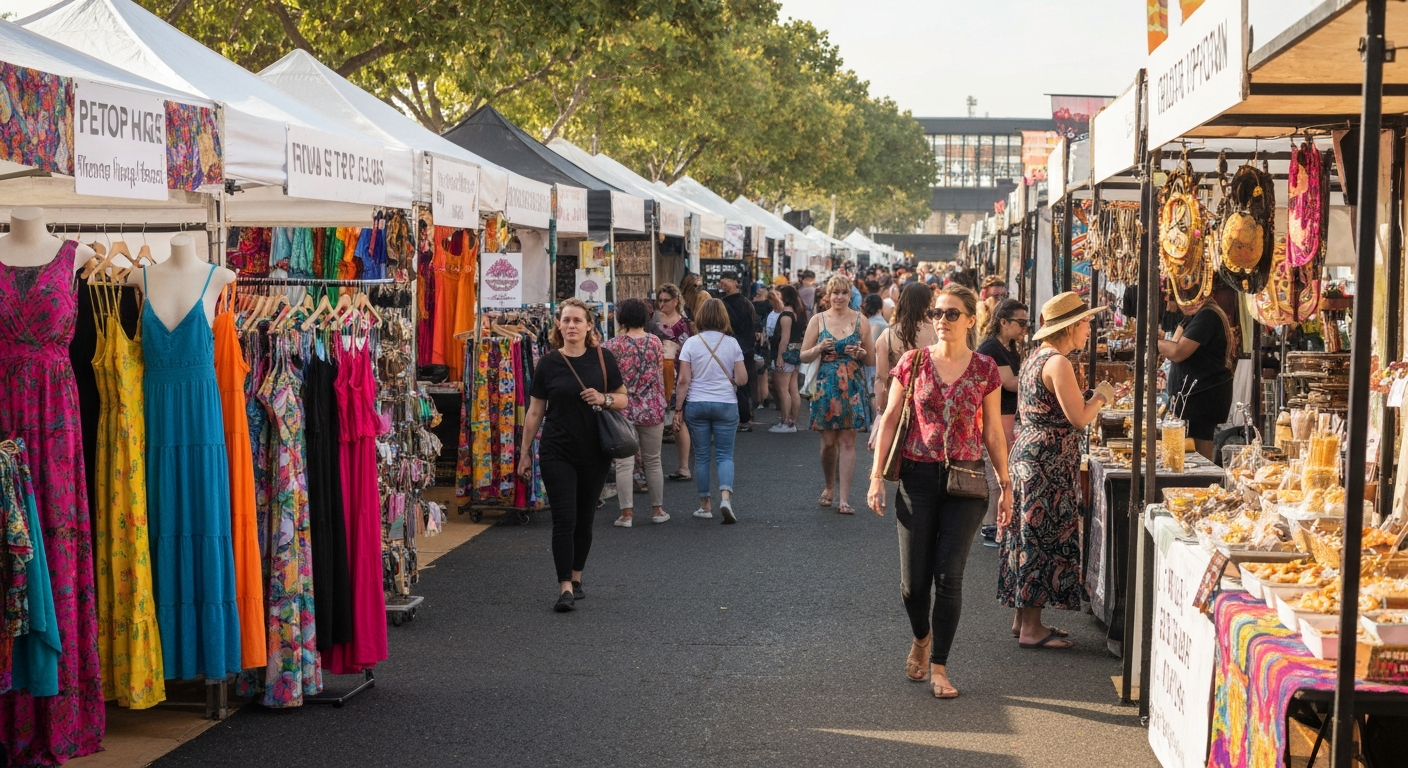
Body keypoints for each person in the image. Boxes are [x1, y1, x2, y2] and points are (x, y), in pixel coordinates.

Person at [866, 284, 1011, 699]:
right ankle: (922, 637)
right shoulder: (912, 363)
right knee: (914, 585)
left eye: (951, 314)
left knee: (949, 578)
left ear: (970, 319)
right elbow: (891, 418)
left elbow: (993, 432)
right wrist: (876, 477)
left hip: (965, 482)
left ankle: (940, 666)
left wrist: (1005, 483)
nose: (941, 321)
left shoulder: (984, 368)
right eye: (937, 313)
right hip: (917, 478)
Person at [998, 292, 1113, 648]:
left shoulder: (1037, 356)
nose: (1089, 329)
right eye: (1086, 323)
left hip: (1032, 454)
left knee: (1027, 533)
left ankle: (1024, 620)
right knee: (1040, 536)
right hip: (1045, 460)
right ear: (1071, 326)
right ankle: (1032, 629)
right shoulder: (1058, 361)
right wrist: (1102, 397)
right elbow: (1078, 417)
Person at [519, 299, 628, 612]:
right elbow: (536, 410)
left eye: (577, 321)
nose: (571, 326)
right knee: (564, 518)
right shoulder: (548, 364)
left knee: (585, 518)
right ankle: (564, 586)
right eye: (566, 320)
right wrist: (525, 453)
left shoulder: (603, 359)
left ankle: (577, 577)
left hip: (595, 450)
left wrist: (604, 398)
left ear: (589, 326)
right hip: (557, 449)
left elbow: (623, 399)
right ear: (558, 325)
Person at [800, 274, 875, 514]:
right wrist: (819, 348)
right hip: (825, 385)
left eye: (844, 293)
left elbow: (871, 359)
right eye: (835, 293)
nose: (839, 297)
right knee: (828, 443)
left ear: (850, 296)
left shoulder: (860, 321)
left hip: (852, 383)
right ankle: (829, 485)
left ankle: (844, 499)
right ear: (828, 296)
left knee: (847, 441)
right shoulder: (818, 320)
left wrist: (860, 352)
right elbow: (803, 356)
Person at [673, 299, 750, 524]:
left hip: (697, 404)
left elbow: (684, 380)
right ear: (724, 318)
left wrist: (678, 409)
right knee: (725, 454)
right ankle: (725, 498)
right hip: (726, 403)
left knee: (703, 456)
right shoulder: (732, 344)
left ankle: (704, 506)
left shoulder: (691, 343)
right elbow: (743, 379)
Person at [603, 298, 670, 528]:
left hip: (623, 409)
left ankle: (627, 514)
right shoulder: (655, 342)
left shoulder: (612, 345)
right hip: (652, 408)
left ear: (621, 318)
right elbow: (659, 376)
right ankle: (658, 510)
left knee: (624, 463)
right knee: (653, 461)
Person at [1157, 287, 1235, 460]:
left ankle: (1201, 485)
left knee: (1197, 451)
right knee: (1190, 451)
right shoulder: (1195, 316)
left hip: (1201, 396)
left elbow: (1177, 351)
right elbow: (1174, 343)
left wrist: (1154, 342)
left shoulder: (1208, 316)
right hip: (1193, 396)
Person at [976, 299, 1027, 547]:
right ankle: (989, 526)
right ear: (1003, 322)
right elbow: (1010, 383)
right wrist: (1038, 375)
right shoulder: (991, 349)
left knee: (1002, 471)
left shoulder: (1009, 347)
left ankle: (998, 523)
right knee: (997, 472)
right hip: (996, 415)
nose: (1024, 327)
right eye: (1021, 322)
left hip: (1006, 414)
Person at [872, 283, 938, 447]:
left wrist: (880, 412)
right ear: (928, 303)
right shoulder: (939, 333)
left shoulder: (888, 335)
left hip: (898, 404)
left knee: (896, 457)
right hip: (934, 402)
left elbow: (880, 378)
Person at [651, 283, 695, 482]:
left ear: (676, 301)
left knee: (679, 420)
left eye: (665, 300)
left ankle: (684, 467)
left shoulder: (686, 324)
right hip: (653, 376)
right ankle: (651, 469)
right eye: (659, 300)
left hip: (679, 375)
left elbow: (692, 350)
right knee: (654, 422)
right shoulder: (651, 321)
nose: (661, 304)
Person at [717, 271, 757, 432]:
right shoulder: (723, 303)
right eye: (721, 279)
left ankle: (744, 418)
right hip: (739, 347)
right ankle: (743, 417)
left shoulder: (744, 303)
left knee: (740, 384)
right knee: (737, 383)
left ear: (736, 282)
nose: (723, 282)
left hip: (740, 347)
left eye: (727, 279)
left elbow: (753, 324)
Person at [769, 284, 806, 433]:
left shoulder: (786, 315)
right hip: (796, 352)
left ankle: (785, 421)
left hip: (786, 354)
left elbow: (784, 338)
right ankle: (793, 421)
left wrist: (779, 356)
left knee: (783, 390)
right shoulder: (799, 313)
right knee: (793, 390)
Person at [862, 293, 888, 426]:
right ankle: (874, 421)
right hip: (878, 362)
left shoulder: (870, 323)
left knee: (872, 391)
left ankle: (872, 421)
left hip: (869, 362)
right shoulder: (881, 323)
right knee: (875, 392)